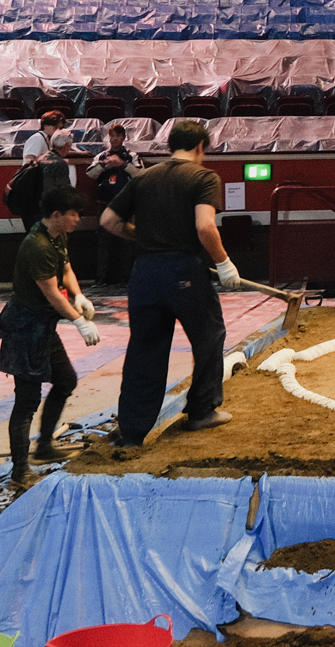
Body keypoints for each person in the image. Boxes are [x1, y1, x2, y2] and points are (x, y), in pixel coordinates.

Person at [100, 119, 236, 449]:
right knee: (209, 337)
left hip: (144, 272)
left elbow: (109, 221)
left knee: (144, 351)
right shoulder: (204, 177)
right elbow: (205, 227)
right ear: (201, 147)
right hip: (183, 270)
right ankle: (201, 411)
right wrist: (223, 262)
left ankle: (131, 433)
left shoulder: (143, 177)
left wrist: (144, 237)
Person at [0, 186, 103, 484]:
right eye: (74, 214)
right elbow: (51, 294)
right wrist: (79, 322)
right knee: (26, 400)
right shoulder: (37, 245)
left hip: (43, 326)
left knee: (65, 380)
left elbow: (66, 270)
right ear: (56, 215)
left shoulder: (57, 235)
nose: (78, 219)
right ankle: (20, 471)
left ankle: (44, 445)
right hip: (25, 328)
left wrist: (78, 295)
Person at [87, 124, 142, 286]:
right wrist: (105, 165)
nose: (114, 139)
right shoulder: (102, 156)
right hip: (104, 203)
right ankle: (101, 278)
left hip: (126, 204)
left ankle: (127, 277)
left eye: (118, 136)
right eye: (112, 136)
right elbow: (90, 174)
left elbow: (140, 174)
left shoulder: (131, 156)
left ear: (123, 138)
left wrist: (122, 164)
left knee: (126, 241)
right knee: (103, 241)